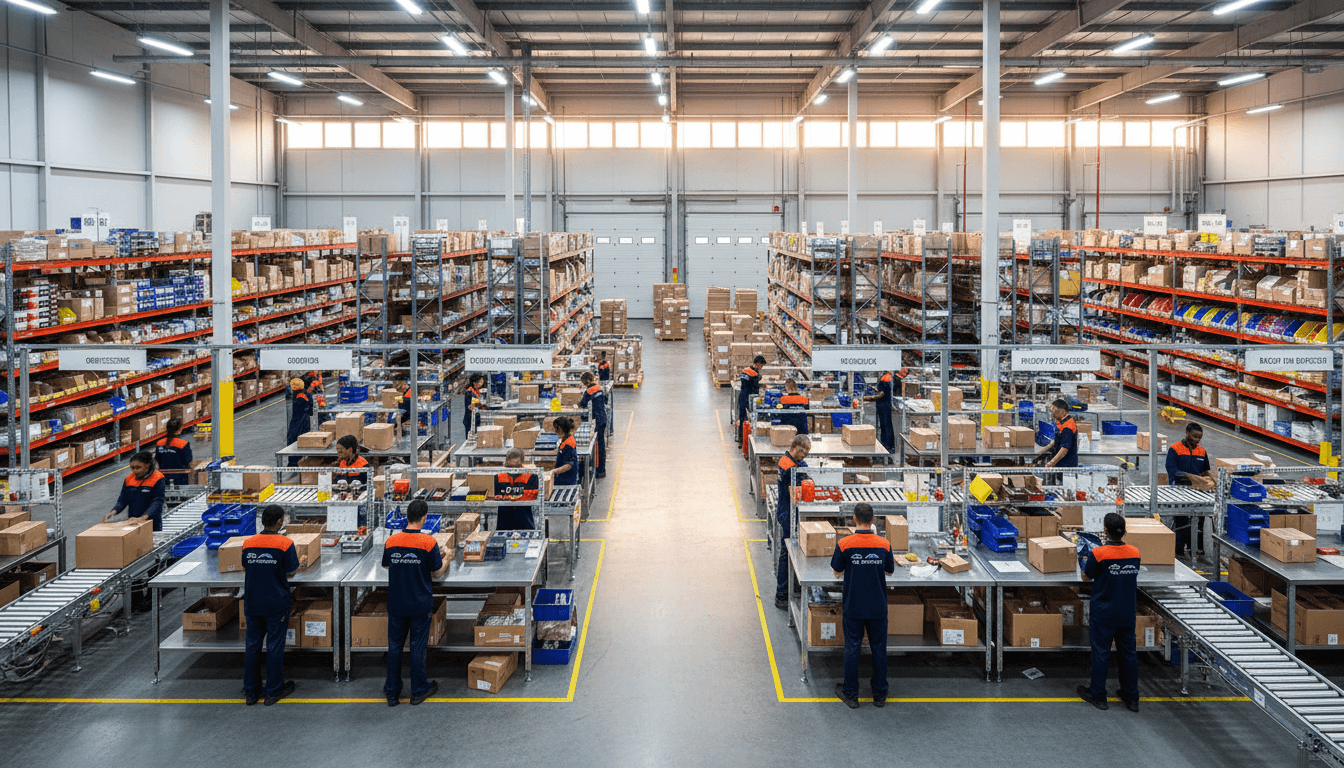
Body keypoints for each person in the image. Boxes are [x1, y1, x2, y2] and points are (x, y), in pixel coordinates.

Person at [382, 499, 449, 707]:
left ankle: (392, 692)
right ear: (424, 518)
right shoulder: (428, 543)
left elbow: (386, 566)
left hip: (396, 602)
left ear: (406, 518)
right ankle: (419, 690)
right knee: (417, 647)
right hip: (419, 603)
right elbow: (436, 572)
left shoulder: (392, 540)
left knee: (394, 647)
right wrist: (447, 558)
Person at [830, 502, 895, 709]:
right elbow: (890, 571)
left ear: (854, 519)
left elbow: (836, 572)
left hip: (854, 605)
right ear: (873, 520)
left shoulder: (844, 544)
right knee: (879, 649)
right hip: (877, 606)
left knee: (852, 648)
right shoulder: (884, 544)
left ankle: (851, 693)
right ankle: (879, 695)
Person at [1079, 512, 1142, 713]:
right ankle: (1131, 697)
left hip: (1104, 613)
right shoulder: (1135, 552)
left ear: (1105, 530)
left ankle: (1098, 695)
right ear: (1124, 532)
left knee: (1101, 653)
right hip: (1126, 612)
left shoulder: (1099, 553)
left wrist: (1084, 558)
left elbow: (1086, 577)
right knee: (1129, 655)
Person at [241, 505, 299, 706]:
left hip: (253, 601)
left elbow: (245, 566)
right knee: (274, 646)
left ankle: (251, 691)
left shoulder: (248, 543)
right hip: (275, 603)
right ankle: (274, 690)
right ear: (280, 521)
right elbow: (290, 571)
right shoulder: (285, 544)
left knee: (252, 646)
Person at [774, 434, 811, 610]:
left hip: (790, 511)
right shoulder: (787, 465)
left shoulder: (792, 461)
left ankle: (793, 585)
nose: (803, 455)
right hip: (787, 513)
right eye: (801, 451)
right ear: (793, 447)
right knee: (786, 554)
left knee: (791, 553)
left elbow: (803, 469)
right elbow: (804, 479)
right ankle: (781, 595)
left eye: (806, 453)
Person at [1167, 422, 1213, 556]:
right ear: (1187, 433)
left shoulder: (1201, 451)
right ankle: (1179, 550)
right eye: (1194, 436)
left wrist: (1212, 478)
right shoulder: (1175, 448)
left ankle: (1197, 549)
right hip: (1179, 489)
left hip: (1197, 491)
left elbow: (1205, 470)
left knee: (1199, 519)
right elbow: (1171, 470)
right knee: (1181, 520)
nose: (1197, 440)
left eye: (1199, 437)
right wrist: (1190, 476)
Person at [102, 451, 166, 532]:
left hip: (152, 522)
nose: (135, 470)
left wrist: (143, 518)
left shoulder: (158, 478)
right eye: (132, 467)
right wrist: (112, 512)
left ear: (147, 466)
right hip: (132, 522)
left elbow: (157, 502)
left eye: (138, 467)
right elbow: (123, 500)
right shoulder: (129, 479)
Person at [496, 448, 541, 530]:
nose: (513, 470)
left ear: (522, 464)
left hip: (525, 523)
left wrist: (510, 497)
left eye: (516, 467)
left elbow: (532, 497)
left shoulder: (531, 477)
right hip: (503, 524)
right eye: (509, 467)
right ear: (506, 463)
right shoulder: (498, 477)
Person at [579, 372, 608, 479]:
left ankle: (600, 471)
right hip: (603, 418)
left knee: (598, 446)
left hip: (597, 421)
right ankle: (601, 468)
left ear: (585, 381)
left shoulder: (589, 391)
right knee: (601, 445)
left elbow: (582, 404)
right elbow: (605, 400)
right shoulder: (599, 388)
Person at [1036, 398, 1079, 469]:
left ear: (1062, 411)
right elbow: (1055, 441)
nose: (1052, 412)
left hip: (1066, 466)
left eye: (1054, 409)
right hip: (1060, 464)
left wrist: (1051, 463)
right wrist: (1039, 452)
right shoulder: (1061, 422)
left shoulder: (1068, 427)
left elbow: (1064, 448)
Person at [154, 418, 193, 486]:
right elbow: (188, 460)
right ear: (180, 428)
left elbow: (157, 459)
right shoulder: (183, 444)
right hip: (181, 478)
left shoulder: (159, 443)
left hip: (164, 477)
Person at [738, 355, 766, 443]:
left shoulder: (745, 370)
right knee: (753, 418)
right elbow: (755, 389)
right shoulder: (754, 374)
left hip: (742, 397)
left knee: (742, 418)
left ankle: (741, 438)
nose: (761, 368)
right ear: (757, 364)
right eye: (761, 366)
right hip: (749, 399)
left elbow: (746, 383)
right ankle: (751, 439)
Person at [866, 370, 896, 453]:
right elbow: (882, 390)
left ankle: (888, 446)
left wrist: (866, 398)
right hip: (884, 405)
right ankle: (886, 445)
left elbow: (881, 394)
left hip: (884, 406)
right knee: (885, 426)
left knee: (886, 426)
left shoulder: (886, 378)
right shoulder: (887, 377)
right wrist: (874, 388)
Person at [285, 377, 312, 467]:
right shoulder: (306, 395)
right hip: (305, 421)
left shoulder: (298, 400)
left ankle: (294, 463)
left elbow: (296, 414)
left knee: (292, 440)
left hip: (299, 422)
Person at [553, 416, 580, 487]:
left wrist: (553, 472)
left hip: (567, 481)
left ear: (562, 429)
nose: (555, 431)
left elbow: (569, 465)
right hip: (563, 478)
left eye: (557, 428)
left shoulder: (569, 444)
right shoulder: (566, 439)